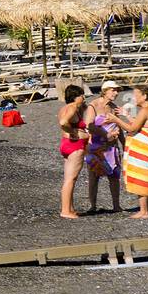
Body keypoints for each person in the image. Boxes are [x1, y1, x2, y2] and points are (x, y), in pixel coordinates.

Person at [117, 85, 148, 218]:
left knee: (140, 176)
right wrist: (127, 116)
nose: (133, 98)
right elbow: (141, 126)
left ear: (144, 96)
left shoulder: (146, 109)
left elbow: (132, 129)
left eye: (136, 95)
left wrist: (116, 120)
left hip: (143, 149)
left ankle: (144, 211)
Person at [84, 81, 123, 213]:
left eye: (117, 90)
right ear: (105, 90)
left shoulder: (114, 107)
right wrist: (106, 134)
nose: (116, 93)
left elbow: (120, 127)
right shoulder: (93, 105)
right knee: (94, 177)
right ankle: (93, 206)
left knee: (114, 176)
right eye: (113, 90)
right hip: (96, 147)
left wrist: (124, 145)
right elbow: (89, 125)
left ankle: (116, 205)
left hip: (112, 147)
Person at [58, 84, 91, 219]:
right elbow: (63, 122)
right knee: (70, 179)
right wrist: (73, 132)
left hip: (66, 145)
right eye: (81, 95)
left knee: (69, 179)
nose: (83, 97)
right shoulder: (72, 108)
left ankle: (69, 208)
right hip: (74, 145)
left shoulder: (66, 108)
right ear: (75, 97)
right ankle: (65, 211)